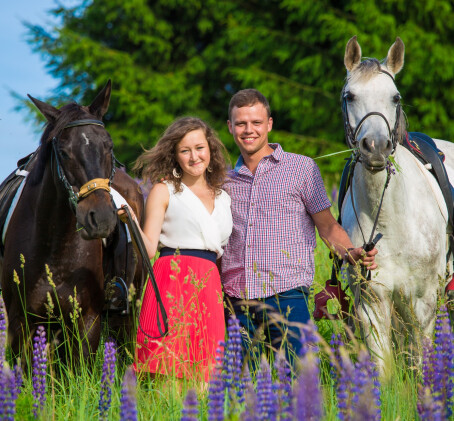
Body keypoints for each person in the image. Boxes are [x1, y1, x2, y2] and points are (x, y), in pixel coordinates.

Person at [221, 89, 378, 365]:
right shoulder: (222, 180)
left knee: (298, 383)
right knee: (238, 392)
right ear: (230, 127)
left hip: (287, 296)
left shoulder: (301, 168)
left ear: (269, 124)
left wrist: (350, 252)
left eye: (256, 123)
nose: (249, 130)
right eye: (241, 123)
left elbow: (328, 227)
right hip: (236, 301)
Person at [120, 117, 233, 382]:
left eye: (199, 148)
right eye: (185, 150)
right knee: (169, 371)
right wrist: (131, 221)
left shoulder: (224, 197)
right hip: (172, 281)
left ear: (211, 149)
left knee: (207, 374)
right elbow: (149, 250)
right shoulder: (165, 190)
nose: (194, 157)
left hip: (210, 285)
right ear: (175, 155)